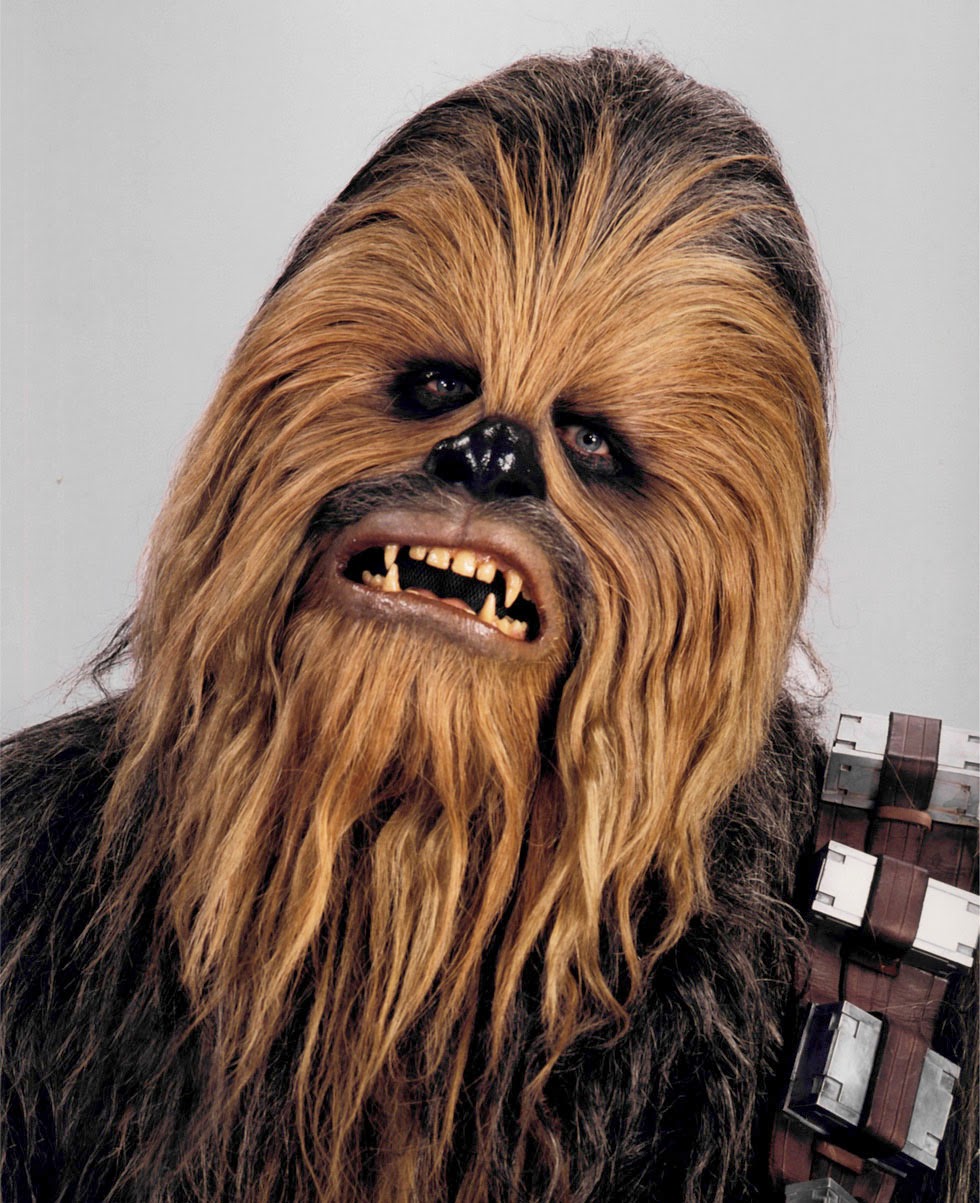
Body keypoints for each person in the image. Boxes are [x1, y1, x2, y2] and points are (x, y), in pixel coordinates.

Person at [2, 48, 972, 1203]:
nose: (488, 457)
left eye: (596, 446)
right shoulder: (23, 871)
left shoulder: (906, 951)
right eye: (430, 388)